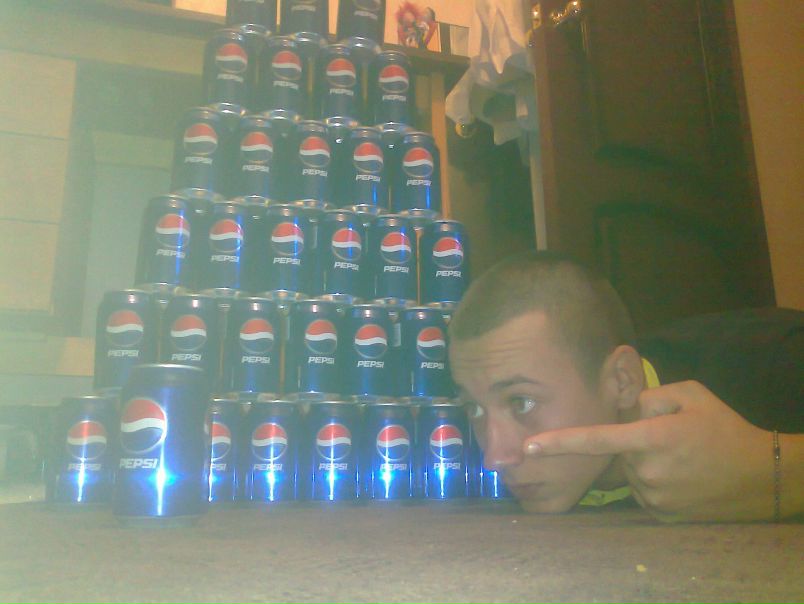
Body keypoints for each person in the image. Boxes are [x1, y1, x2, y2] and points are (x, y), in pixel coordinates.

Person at [448, 251, 804, 522]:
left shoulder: (773, 358)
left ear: (622, 380)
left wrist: (776, 473)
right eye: (474, 408)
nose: (495, 458)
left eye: (521, 402)